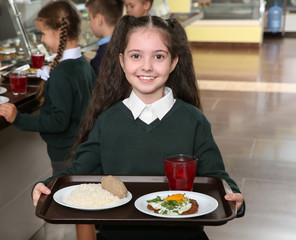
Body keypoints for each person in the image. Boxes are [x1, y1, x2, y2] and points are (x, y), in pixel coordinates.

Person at [32, 15, 245, 240]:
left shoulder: (194, 121)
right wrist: (46, 186)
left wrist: (234, 195)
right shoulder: (107, 121)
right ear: (122, 61)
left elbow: (217, 177)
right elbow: (76, 174)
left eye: (159, 56)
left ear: (173, 62)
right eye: (136, 56)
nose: (147, 66)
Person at [0, 0, 96, 175]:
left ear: (59, 32)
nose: (42, 40)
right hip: (81, 149)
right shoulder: (82, 63)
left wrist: (18, 118)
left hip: (66, 154)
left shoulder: (62, 73)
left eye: (43, 33)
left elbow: (58, 121)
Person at [85, 0, 123, 75]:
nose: (90, 24)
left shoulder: (105, 50)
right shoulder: (121, 40)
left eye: (90, 19)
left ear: (99, 20)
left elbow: (98, 69)